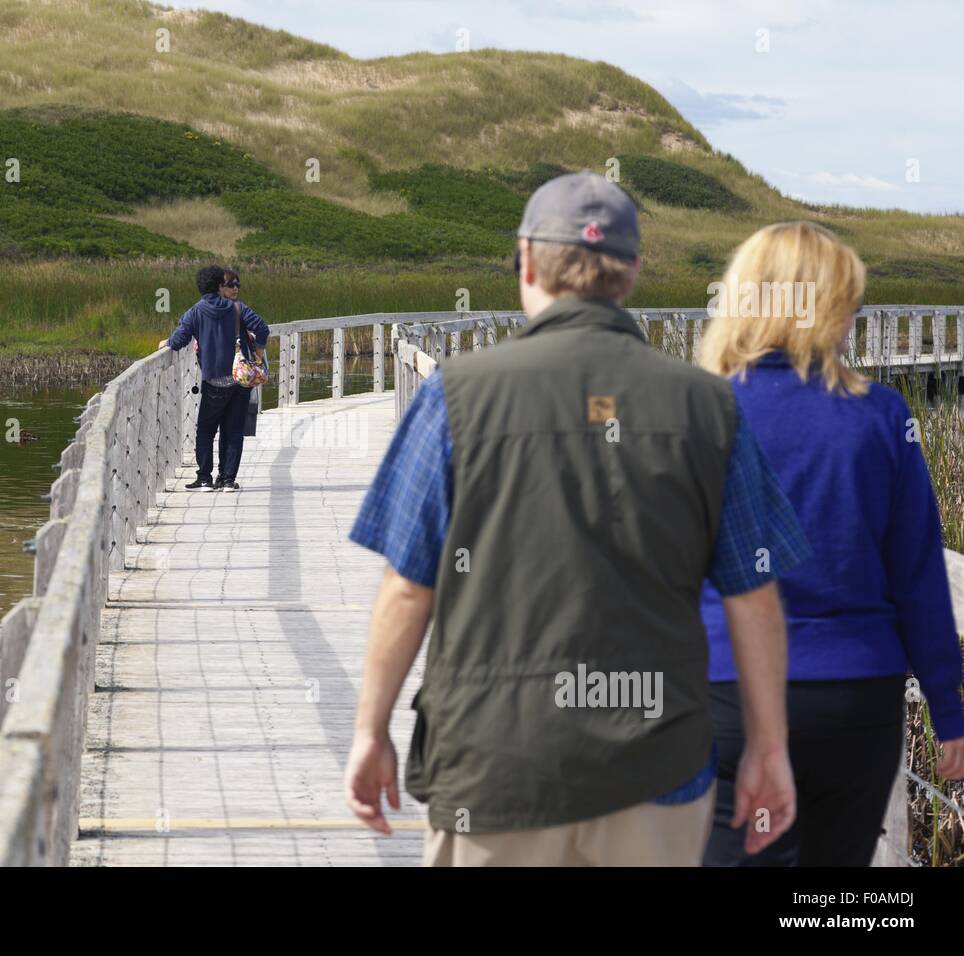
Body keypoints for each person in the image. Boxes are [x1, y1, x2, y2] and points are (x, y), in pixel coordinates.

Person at [344, 171, 809, 866]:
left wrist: (369, 730)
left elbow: (409, 588)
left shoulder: (456, 396)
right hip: (657, 770)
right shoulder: (708, 407)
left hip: (495, 769)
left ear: (527, 260)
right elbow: (752, 592)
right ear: (633, 272)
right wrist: (769, 748)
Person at [697, 221, 964, 866]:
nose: (853, 320)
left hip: (721, 692)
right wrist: (948, 711)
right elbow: (919, 577)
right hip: (855, 696)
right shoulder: (882, 416)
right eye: (848, 303)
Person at [160, 265, 268, 492]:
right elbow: (263, 328)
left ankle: (204, 479)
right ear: (220, 285)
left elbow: (179, 339)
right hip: (240, 380)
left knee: (206, 430)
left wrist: (166, 344)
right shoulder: (237, 308)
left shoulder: (195, 312)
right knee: (233, 430)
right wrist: (258, 351)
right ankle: (227, 480)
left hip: (214, 381)